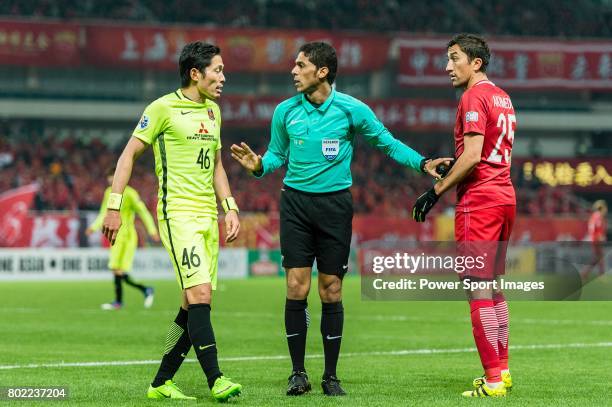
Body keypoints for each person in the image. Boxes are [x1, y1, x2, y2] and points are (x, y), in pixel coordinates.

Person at [231, 41, 449, 397]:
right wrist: (258, 167)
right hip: (295, 204)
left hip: (335, 207)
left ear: (322, 72)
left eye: (300, 65)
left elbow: (387, 143)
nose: (293, 71)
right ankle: (298, 373)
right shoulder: (285, 112)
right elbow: (275, 155)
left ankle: (331, 376)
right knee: (295, 287)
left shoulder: (352, 110)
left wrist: (423, 163)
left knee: (331, 289)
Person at [101, 41, 242, 402]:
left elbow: (218, 165)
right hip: (176, 213)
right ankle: (217, 379)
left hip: (207, 216)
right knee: (201, 294)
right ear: (196, 73)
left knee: (191, 303)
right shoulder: (162, 108)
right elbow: (128, 154)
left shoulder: (213, 112)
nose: (223, 77)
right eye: (218, 70)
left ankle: (162, 380)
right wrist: (114, 207)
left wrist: (230, 208)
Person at [413, 33, 516, 397]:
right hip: (504, 195)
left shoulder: (473, 96)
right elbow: (481, 153)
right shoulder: (502, 97)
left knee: (477, 288)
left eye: (454, 58)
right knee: (494, 287)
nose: (447, 66)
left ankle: (491, 381)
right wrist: (451, 167)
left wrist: (434, 191)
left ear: (476, 63)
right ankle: (501, 372)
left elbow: (473, 157)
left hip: (480, 200)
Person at [86, 166, 158, 310]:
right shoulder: (109, 193)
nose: (110, 179)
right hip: (115, 236)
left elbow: (143, 212)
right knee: (115, 269)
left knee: (119, 270)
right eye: (110, 177)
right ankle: (141, 292)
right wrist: (93, 227)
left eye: (113, 176)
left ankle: (122, 300)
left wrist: (152, 230)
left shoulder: (131, 194)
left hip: (128, 237)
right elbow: (104, 213)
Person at [581, 199, 608, 280]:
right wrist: (600, 236)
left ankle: (585, 274)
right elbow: (598, 227)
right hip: (596, 239)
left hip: (594, 238)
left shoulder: (594, 215)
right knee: (599, 257)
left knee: (597, 258)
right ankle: (600, 275)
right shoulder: (598, 216)